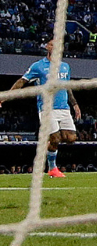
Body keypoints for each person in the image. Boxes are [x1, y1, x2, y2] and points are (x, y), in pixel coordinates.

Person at [0, 40, 81, 177]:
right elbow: (22, 81)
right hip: (46, 108)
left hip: (64, 108)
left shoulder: (65, 66)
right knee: (55, 138)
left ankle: (48, 144)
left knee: (71, 138)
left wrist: (75, 104)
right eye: (52, 44)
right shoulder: (38, 66)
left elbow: (67, 87)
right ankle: (52, 168)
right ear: (47, 48)